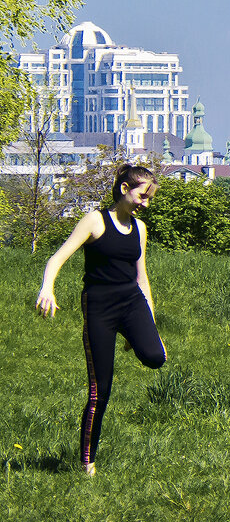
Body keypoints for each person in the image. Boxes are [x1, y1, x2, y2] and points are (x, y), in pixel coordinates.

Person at [36, 164, 167, 476]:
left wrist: (149, 323)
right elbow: (57, 258)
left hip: (131, 302)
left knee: (155, 357)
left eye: (149, 199)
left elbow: (142, 278)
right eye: (141, 196)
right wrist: (47, 288)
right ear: (124, 189)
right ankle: (87, 463)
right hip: (99, 307)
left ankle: (132, 335)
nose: (144, 203)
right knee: (100, 391)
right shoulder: (95, 221)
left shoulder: (140, 229)